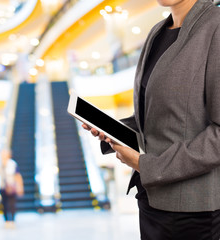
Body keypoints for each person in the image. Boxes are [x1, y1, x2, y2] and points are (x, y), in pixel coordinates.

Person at [82, 0, 220, 239]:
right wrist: (114, 130)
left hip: (195, 211)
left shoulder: (215, 29)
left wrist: (146, 166)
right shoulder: (157, 32)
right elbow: (153, 116)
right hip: (152, 202)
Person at [0, 149, 24, 228]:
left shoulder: (12, 164)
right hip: (3, 187)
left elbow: (17, 175)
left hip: (11, 187)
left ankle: (12, 220)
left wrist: (20, 186)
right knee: (4, 204)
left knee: (12, 204)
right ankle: (6, 221)